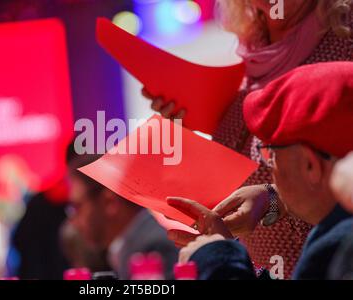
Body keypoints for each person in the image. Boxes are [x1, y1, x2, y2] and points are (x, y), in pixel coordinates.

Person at [142, 0, 353, 277]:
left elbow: (339, 178)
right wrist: (183, 127)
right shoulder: (253, 49)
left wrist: (272, 200)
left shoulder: (345, 38)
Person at [167, 62, 353, 279]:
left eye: (270, 153)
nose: (269, 166)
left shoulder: (340, 249)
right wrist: (270, 201)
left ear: (311, 165)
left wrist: (218, 259)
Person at [68, 154, 178, 279]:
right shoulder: (131, 246)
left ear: (109, 202)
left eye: (77, 207)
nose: (73, 220)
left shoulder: (153, 248)